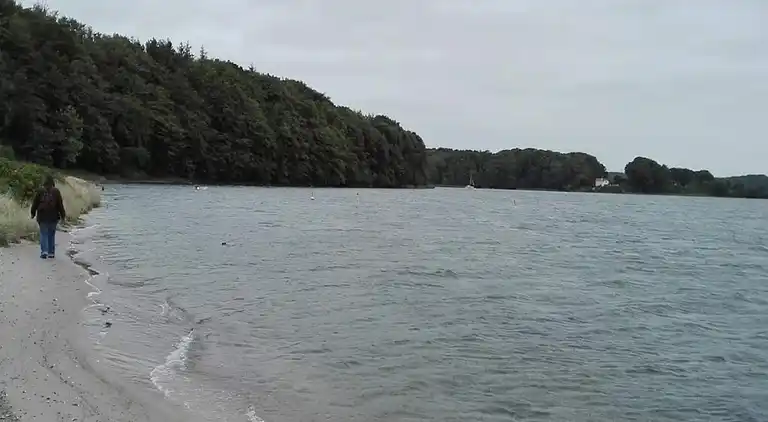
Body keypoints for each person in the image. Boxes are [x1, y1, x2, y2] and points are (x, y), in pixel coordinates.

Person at [30, 175, 66, 259]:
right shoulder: (56, 191)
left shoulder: (40, 191)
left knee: (43, 233)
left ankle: (44, 251)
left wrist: (33, 213)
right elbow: (60, 205)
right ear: (52, 182)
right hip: (53, 216)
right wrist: (63, 216)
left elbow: (35, 203)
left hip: (42, 216)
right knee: (51, 234)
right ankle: (51, 253)